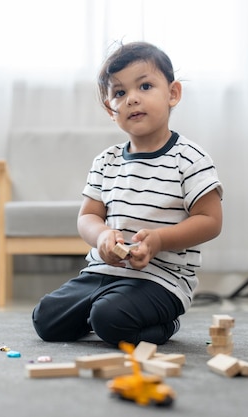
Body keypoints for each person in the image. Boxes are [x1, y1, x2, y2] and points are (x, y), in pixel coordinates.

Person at [32, 41, 223, 346]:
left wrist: (160, 240)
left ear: (172, 93)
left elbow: (210, 220)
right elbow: (88, 217)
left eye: (145, 86)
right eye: (120, 93)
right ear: (111, 109)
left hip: (162, 281)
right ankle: (102, 314)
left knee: (110, 318)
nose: (132, 99)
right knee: (45, 318)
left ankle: (163, 325)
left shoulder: (190, 159)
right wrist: (102, 237)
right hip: (102, 271)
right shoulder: (105, 161)